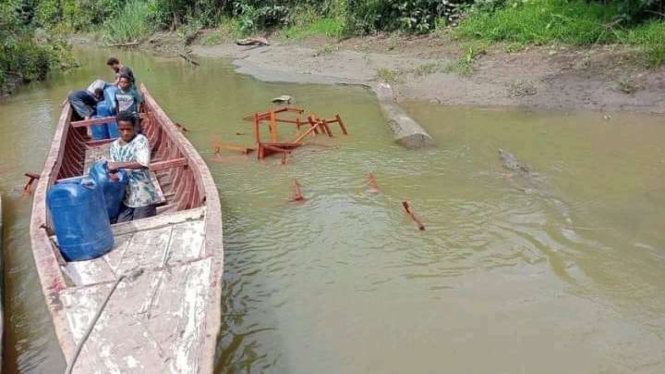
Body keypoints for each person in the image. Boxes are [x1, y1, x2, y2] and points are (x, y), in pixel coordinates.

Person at [107, 111, 159, 222]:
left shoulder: (140, 140)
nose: (125, 133)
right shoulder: (114, 146)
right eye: (122, 129)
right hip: (125, 196)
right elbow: (113, 169)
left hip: (143, 195)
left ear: (135, 127)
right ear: (118, 128)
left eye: (129, 129)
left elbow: (143, 163)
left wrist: (119, 165)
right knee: (121, 225)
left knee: (143, 227)